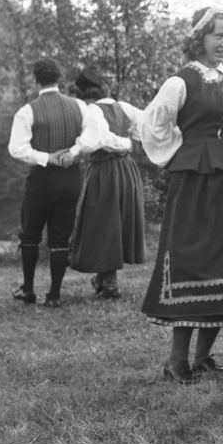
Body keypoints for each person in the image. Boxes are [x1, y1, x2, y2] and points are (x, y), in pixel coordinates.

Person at [140, 8, 223, 382]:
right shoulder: (179, 83)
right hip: (196, 181)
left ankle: (202, 358)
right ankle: (176, 360)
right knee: (192, 259)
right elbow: (154, 126)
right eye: (218, 36)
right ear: (199, 39)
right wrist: (179, 155)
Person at [7, 56, 99, 307]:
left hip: (42, 177)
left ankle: (28, 289)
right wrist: (74, 152)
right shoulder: (79, 106)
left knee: (30, 234)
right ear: (60, 78)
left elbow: (16, 148)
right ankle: (54, 295)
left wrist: (47, 158)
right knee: (61, 237)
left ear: (36, 79)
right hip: (71, 177)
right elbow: (94, 137)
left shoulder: (27, 111)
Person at [67, 67, 147, 301]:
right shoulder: (124, 107)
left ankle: (110, 282)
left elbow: (98, 139)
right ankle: (103, 279)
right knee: (112, 220)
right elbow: (145, 124)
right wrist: (129, 141)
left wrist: (124, 143)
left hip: (105, 170)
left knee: (105, 221)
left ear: (85, 95)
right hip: (126, 169)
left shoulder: (92, 110)